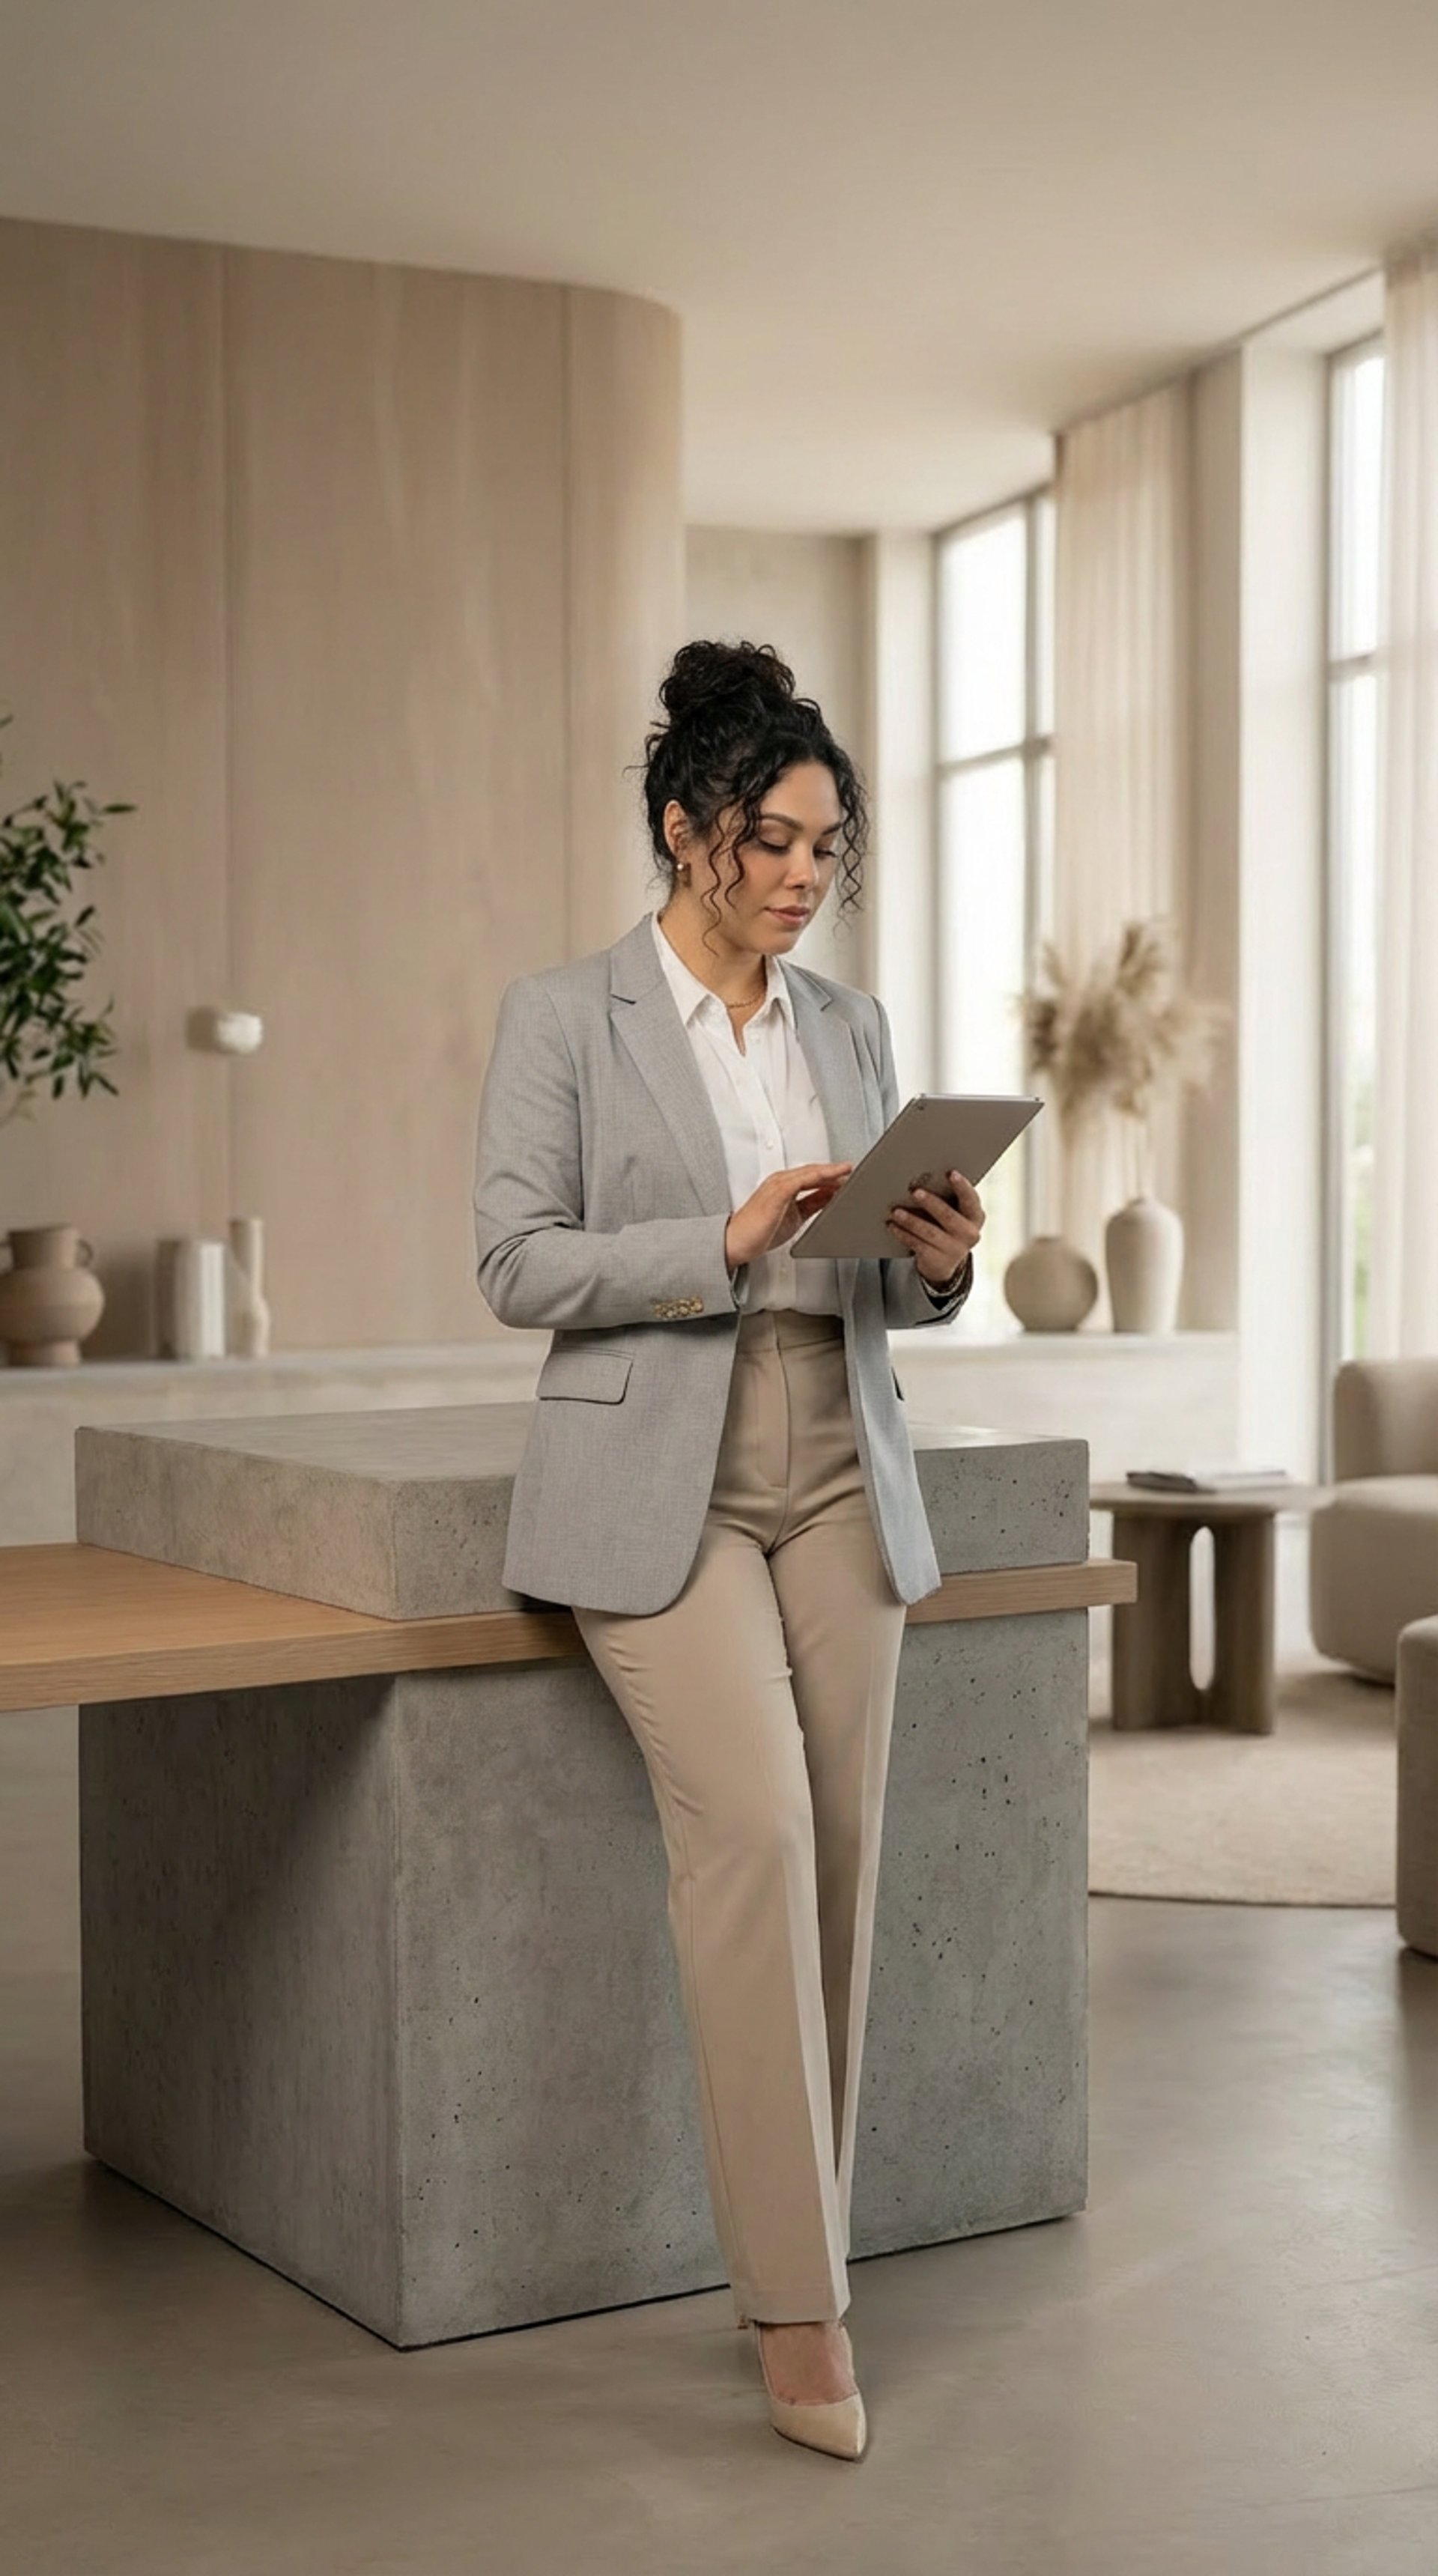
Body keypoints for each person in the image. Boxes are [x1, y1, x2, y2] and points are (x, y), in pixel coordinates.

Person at [472, 640, 984, 2459]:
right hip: (659, 1483)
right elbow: (517, 1261)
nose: (800, 874)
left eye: (827, 846)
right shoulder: (567, 1016)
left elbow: (897, 1302)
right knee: (753, 1831)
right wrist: (721, 1231)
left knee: (837, 1857)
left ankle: (806, 2246)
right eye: (770, 838)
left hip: (844, 1463)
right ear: (685, 832)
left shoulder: (846, 1028)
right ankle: (796, 2313)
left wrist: (934, 1252)